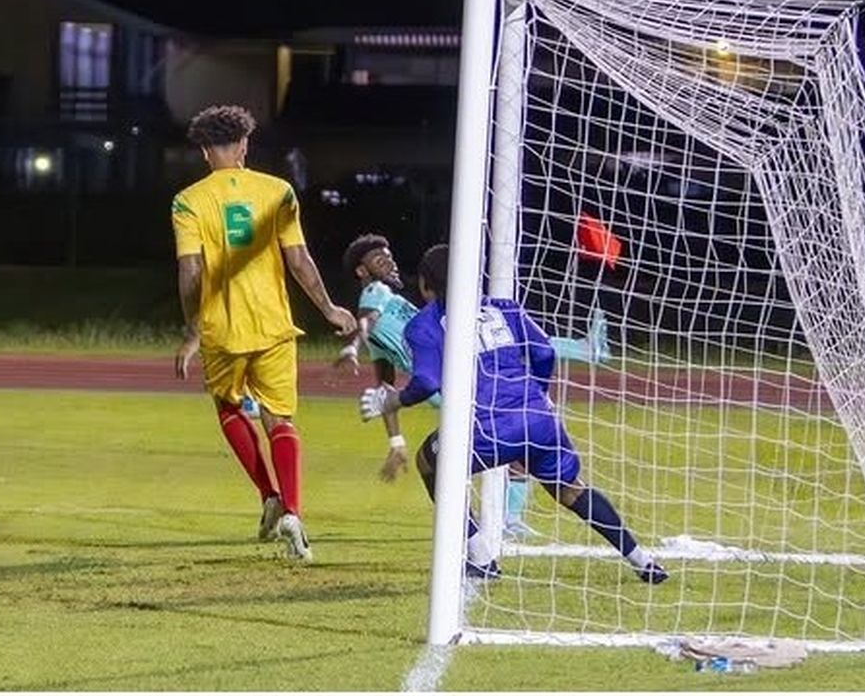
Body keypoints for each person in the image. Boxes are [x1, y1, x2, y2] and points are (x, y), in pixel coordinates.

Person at [358, 244, 667, 584]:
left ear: (427, 286)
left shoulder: (424, 324)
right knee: (571, 489)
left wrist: (393, 401)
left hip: (488, 425)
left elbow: (426, 382)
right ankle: (642, 559)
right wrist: (539, 393)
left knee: (429, 463)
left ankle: (481, 558)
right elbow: (545, 352)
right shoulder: (505, 307)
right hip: (539, 418)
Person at [171, 105, 357, 563]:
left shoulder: (188, 201)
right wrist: (330, 308)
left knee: (230, 408)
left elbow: (189, 271)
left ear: (203, 150)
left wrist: (193, 330)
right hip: (274, 324)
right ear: (244, 145)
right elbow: (299, 260)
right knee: (281, 420)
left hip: (223, 328)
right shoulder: (279, 191)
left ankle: (268, 496)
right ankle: (292, 510)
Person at [336, 233, 611, 540]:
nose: (388, 261)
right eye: (378, 259)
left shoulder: (396, 303)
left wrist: (396, 440)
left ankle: (500, 522)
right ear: (362, 271)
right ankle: (487, 531)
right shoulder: (374, 294)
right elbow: (365, 321)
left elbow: (384, 391)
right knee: (507, 349)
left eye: (388, 255)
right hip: (442, 381)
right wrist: (351, 346)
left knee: (506, 423)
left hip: (446, 377)